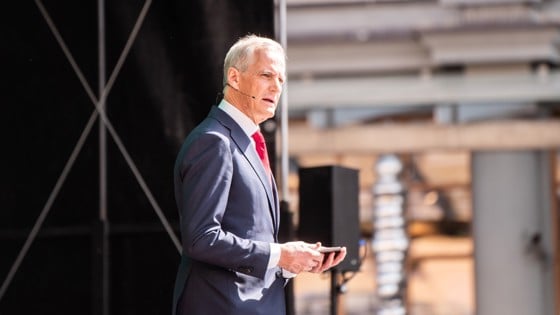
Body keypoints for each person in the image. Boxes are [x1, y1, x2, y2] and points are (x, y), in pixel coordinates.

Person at [171, 34, 346, 315]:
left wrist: (290, 261)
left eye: (281, 80)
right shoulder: (214, 141)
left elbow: (250, 238)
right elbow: (201, 239)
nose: (276, 87)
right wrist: (280, 254)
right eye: (266, 75)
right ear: (235, 78)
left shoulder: (246, 142)